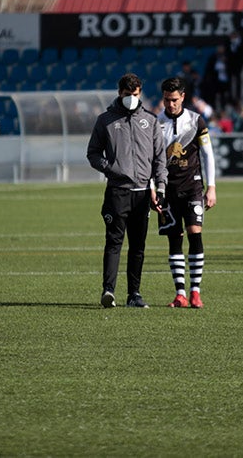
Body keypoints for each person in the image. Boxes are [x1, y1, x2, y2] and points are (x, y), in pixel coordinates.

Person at [87, 73, 168, 308]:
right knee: (114, 242)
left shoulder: (151, 121)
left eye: (135, 95)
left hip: (143, 193)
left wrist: (160, 186)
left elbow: (159, 159)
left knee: (138, 246)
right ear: (119, 93)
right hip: (117, 191)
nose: (131, 99)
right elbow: (93, 153)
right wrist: (111, 169)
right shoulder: (105, 120)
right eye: (127, 95)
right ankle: (108, 291)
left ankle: (134, 294)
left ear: (140, 92)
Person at [157, 76, 216, 309]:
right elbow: (154, 159)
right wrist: (155, 189)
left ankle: (195, 292)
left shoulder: (196, 121)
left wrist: (211, 187)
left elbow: (208, 154)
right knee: (174, 239)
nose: (169, 104)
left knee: (195, 233)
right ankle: (180, 293)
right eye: (166, 100)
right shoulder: (156, 122)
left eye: (173, 100)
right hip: (167, 190)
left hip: (193, 187)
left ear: (182, 97)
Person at [202, 45, 232, 111]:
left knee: (223, 95)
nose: (220, 50)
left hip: (224, 80)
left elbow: (230, 67)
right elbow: (209, 68)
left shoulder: (227, 57)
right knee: (213, 95)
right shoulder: (213, 57)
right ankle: (214, 108)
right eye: (219, 49)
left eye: (222, 48)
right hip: (215, 80)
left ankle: (223, 108)